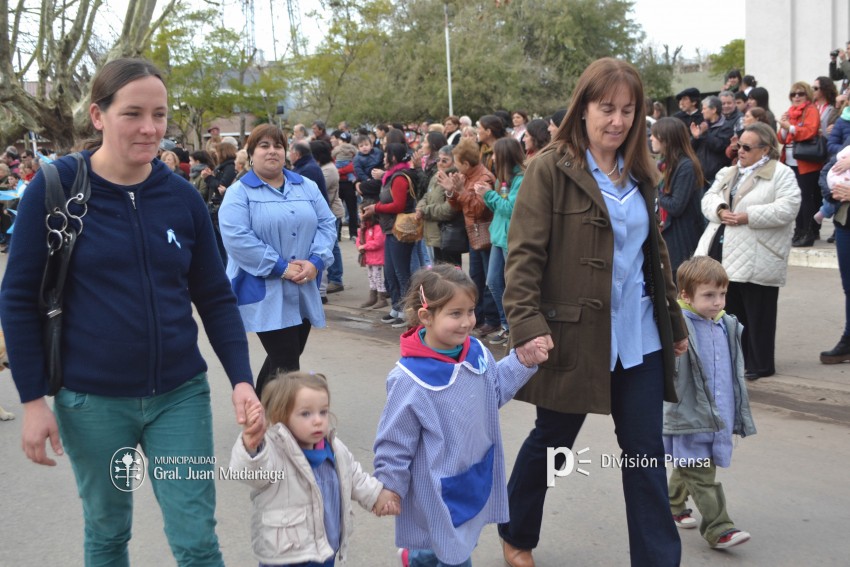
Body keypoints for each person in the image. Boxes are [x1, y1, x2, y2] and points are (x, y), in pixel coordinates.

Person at [0, 57, 258, 566]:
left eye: (159, 115)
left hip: (178, 398)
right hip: (91, 403)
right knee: (107, 533)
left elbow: (214, 295)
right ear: (98, 115)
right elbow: (18, 297)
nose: (149, 128)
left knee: (197, 541)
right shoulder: (54, 190)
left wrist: (242, 380)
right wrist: (32, 401)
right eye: (133, 113)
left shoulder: (181, 197)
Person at [499, 57, 689, 567]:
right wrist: (527, 327)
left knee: (645, 453)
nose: (618, 121)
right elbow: (524, 257)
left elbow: (655, 256)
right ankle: (516, 531)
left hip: (639, 338)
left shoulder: (640, 172)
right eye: (607, 108)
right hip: (573, 337)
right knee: (553, 441)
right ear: (582, 108)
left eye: (628, 110)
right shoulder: (549, 170)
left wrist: (672, 321)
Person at [373, 265, 548, 567]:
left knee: (446, 541)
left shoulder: (476, 351)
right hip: (435, 489)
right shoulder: (409, 379)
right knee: (452, 551)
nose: (467, 322)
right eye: (455, 314)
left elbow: (493, 392)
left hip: (471, 475)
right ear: (426, 316)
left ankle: (417, 555)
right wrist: (390, 485)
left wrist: (521, 360)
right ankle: (419, 555)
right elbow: (394, 441)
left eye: (470, 311)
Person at [231, 371, 399, 566]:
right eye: (306, 413)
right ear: (281, 416)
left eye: (323, 411)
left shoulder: (335, 448)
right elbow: (248, 473)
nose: (318, 420)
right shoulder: (274, 451)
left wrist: (377, 496)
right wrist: (251, 445)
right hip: (285, 556)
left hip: (325, 549)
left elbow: (355, 477)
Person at [218, 124, 336, 397]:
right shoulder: (240, 193)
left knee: (283, 359)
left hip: (303, 284)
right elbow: (237, 239)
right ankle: (283, 429)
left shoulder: (305, 186)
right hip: (264, 289)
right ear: (251, 154)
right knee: (287, 362)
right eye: (264, 146)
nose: (272, 151)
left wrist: (316, 261)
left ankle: (258, 411)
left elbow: (326, 224)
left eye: (278, 145)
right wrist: (281, 267)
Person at [695, 122, 801, 380]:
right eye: (738, 145)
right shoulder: (729, 172)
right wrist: (720, 209)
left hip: (760, 254)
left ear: (765, 150)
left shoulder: (781, 173)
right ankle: (739, 361)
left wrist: (748, 216)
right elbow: (707, 198)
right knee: (734, 313)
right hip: (727, 252)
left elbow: (789, 207)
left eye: (746, 147)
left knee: (759, 313)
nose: (739, 151)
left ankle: (761, 364)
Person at [663, 256, 756, 550]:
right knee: (701, 472)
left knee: (692, 464)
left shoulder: (725, 325)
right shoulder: (678, 327)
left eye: (722, 294)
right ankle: (719, 528)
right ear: (685, 295)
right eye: (709, 295)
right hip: (688, 414)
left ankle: (673, 504)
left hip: (718, 413)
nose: (718, 302)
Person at [440, 138, 501, 338]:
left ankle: (492, 320)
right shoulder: (467, 176)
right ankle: (480, 316)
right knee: (475, 278)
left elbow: (479, 208)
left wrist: (460, 191)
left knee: (488, 279)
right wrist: (451, 191)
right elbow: (458, 206)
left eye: (457, 162)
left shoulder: (483, 177)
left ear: (466, 163)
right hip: (473, 234)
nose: (456, 166)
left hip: (484, 233)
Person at [475, 137, 525, 346]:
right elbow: (500, 206)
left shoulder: (522, 179)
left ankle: (516, 328)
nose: (492, 157)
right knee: (493, 282)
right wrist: (486, 196)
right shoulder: (503, 178)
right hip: (498, 237)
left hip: (511, 238)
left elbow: (511, 209)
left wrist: (488, 195)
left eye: (495, 153)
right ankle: (506, 326)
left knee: (512, 285)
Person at [360, 143, 417, 328]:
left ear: (393, 158)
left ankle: (406, 311)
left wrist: (375, 208)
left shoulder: (399, 178)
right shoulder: (390, 177)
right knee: (390, 273)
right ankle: (396, 307)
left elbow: (398, 205)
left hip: (398, 230)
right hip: (389, 229)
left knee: (401, 273)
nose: (383, 159)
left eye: (386, 156)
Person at [651, 117, 706, 278]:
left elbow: (676, 205)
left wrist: (653, 190)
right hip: (669, 235)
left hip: (682, 240)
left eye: (655, 135)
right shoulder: (665, 164)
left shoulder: (686, 166)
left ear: (666, 139)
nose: (651, 138)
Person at [778, 81, 827, 247]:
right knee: (796, 198)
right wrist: (784, 127)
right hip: (791, 160)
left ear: (807, 95)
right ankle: (799, 231)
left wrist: (790, 127)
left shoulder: (811, 110)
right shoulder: (790, 112)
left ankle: (808, 232)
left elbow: (809, 131)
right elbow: (781, 138)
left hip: (807, 162)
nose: (796, 97)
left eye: (800, 94)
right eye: (793, 94)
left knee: (806, 198)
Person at [819, 144, 850, 363]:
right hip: (844, 223)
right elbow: (824, 172)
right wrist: (833, 190)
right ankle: (849, 339)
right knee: (849, 287)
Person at [417, 145, 464, 267]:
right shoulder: (436, 176)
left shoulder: (454, 178)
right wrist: (420, 207)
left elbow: (449, 209)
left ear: (454, 162)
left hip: (447, 237)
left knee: (450, 276)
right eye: (439, 160)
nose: (440, 163)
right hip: (433, 235)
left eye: (445, 160)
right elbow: (427, 196)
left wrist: (424, 211)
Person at [311, 140, 345, 296]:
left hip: (333, 211)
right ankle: (334, 277)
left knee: (333, 247)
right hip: (331, 210)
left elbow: (318, 188)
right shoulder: (323, 168)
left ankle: (336, 279)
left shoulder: (328, 170)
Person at [201, 140, 238, 262]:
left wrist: (208, 178)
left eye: (217, 152)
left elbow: (221, 186)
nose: (216, 155)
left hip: (220, 207)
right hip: (215, 208)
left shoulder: (230, 167)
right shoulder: (222, 167)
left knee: (222, 241)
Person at [690, 95, 734, 188]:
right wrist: (696, 136)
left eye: (704, 108)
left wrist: (705, 133)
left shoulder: (726, 126)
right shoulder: (704, 125)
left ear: (713, 109)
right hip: (700, 176)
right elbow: (692, 148)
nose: (702, 111)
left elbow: (718, 146)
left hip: (716, 177)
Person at [356, 197, 388, 309]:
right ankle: (373, 297)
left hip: (377, 257)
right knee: (371, 276)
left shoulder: (377, 227)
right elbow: (359, 238)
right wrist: (359, 246)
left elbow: (378, 242)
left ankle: (382, 298)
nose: (359, 214)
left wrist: (364, 246)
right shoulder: (364, 227)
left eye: (361, 212)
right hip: (368, 257)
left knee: (377, 277)